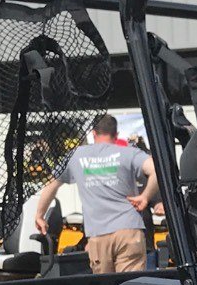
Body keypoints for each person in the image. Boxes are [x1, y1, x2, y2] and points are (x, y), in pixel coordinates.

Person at [31, 113, 155, 273]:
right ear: (116, 135)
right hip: (128, 230)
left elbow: (51, 184)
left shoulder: (76, 156)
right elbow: (156, 170)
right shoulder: (129, 153)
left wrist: (39, 215)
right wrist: (145, 196)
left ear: (93, 133)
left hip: (98, 234)